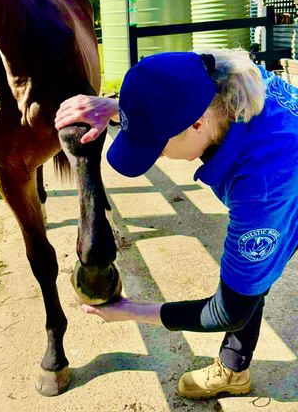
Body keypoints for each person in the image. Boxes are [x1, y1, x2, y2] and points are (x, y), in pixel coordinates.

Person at [55, 49, 298, 399]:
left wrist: (128, 310)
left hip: (284, 180)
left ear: (197, 123)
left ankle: (233, 367)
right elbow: (176, 87)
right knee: (253, 272)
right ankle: (234, 368)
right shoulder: (230, 79)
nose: (156, 155)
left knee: (248, 281)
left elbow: (227, 312)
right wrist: (120, 109)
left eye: (157, 146)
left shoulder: (260, 188)